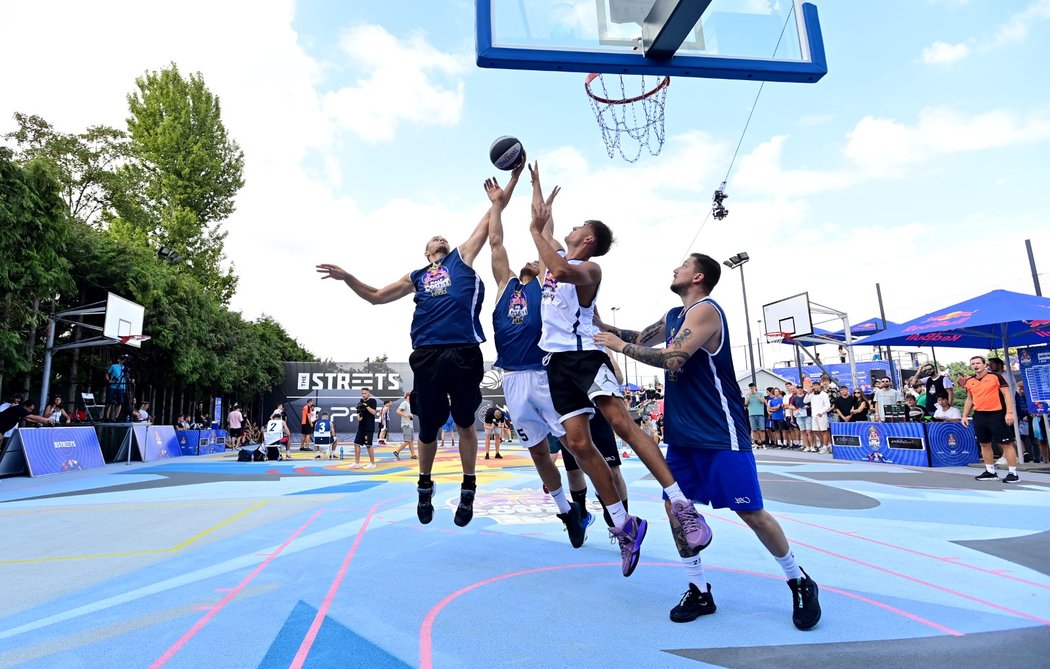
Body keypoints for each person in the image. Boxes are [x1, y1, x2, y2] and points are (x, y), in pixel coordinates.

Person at [594, 252, 820, 630]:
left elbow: (673, 358)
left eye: (681, 265)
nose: (674, 268)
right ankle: (699, 589)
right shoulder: (672, 317)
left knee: (751, 513)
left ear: (698, 276)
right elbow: (639, 338)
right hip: (683, 436)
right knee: (674, 509)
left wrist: (617, 347)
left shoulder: (707, 311)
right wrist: (599, 323)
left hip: (720, 432)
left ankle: (799, 579)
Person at [530, 163, 711, 578]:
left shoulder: (589, 269)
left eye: (576, 227)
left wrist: (535, 232)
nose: (568, 228)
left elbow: (556, 267)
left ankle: (681, 502)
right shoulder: (553, 252)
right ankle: (625, 525)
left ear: (588, 239)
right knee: (576, 444)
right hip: (556, 365)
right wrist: (535, 185)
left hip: (584, 357)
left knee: (621, 424)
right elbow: (542, 221)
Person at [318, 187, 495, 527]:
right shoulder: (416, 276)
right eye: (434, 238)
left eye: (443, 236)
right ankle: (424, 484)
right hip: (427, 355)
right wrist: (348, 278)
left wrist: (500, 197)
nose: (440, 238)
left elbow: (485, 226)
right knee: (427, 428)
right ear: (426, 252)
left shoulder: (461, 259)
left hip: (463, 351)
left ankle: (468, 486)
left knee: (465, 422)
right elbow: (375, 296)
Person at [485, 172, 609, 547]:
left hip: (544, 372)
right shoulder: (505, 286)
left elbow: (547, 234)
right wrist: (496, 206)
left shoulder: (549, 286)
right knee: (537, 450)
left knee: (574, 445)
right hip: (512, 377)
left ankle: (605, 502)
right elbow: (495, 241)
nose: (533, 261)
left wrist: (539, 198)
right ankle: (568, 512)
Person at [963, 356, 1019, 483]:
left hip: (997, 414)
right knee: (984, 443)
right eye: (973, 363)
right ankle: (990, 471)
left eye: (978, 363)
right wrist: (965, 415)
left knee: (1006, 443)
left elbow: (1007, 394)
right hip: (979, 415)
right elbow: (969, 399)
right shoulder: (970, 381)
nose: (975, 365)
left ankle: (1013, 473)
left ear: (984, 365)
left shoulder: (995, 377)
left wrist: (1009, 413)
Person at [350, 388, 378, 469]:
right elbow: (358, 414)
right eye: (362, 393)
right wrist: (359, 417)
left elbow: (373, 412)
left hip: (369, 427)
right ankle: (356, 462)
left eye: (365, 393)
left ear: (369, 393)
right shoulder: (360, 402)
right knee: (356, 444)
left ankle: (372, 463)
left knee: (368, 445)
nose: (363, 395)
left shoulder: (372, 401)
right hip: (361, 427)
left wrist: (366, 406)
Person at [806, 381, 831, 453]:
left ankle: (825, 447)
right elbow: (805, 401)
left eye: (817, 385)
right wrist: (808, 393)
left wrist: (821, 412)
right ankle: (825, 444)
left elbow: (827, 405)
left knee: (824, 431)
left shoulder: (824, 394)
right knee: (816, 431)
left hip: (822, 415)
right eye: (814, 386)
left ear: (819, 386)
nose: (815, 387)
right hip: (814, 416)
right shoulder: (811, 395)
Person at [393, 391, 418, 460]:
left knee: (411, 441)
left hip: (410, 424)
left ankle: (413, 455)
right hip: (406, 424)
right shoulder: (404, 403)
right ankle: (397, 451)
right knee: (407, 441)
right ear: (408, 396)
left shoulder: (410, 404)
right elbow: (398, 411)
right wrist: (406, 415)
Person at [104, 356, 128, 421]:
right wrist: (108, 380)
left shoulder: (125, 368)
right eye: (122, 359)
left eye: (124, 360)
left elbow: (127, 377)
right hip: (113, 386)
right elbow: (107, 374)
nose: (123, 361)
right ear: (118, 360)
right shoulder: (113, 366)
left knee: (119, 402)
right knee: (109, 401)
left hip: (122, 386)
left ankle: (116, 417)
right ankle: (107, 417)